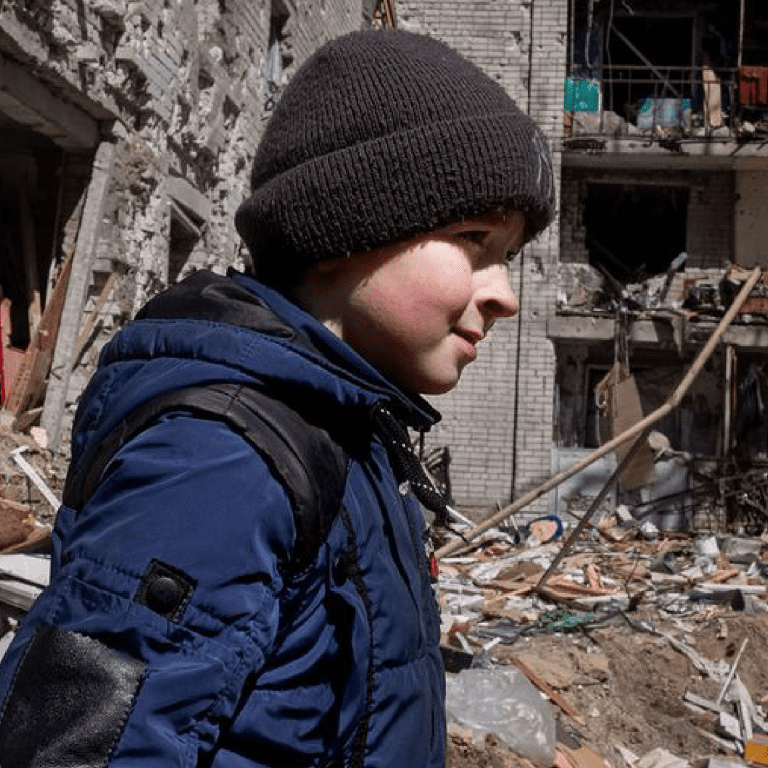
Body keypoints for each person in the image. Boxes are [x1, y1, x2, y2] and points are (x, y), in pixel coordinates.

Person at [0, 28, 554, 768]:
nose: (504, 295)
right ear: (343, 232)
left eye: (509, 258)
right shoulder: (217, 462)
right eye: (473, 240)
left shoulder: (343, 432)